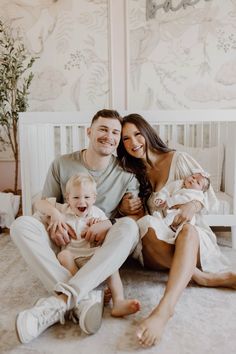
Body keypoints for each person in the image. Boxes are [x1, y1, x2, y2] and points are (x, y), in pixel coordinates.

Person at [11, 109, 143, 344]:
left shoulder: (126, 174)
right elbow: (42, 203)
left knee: (130, 229)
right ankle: (82, 298)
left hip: (98, 245)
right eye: (103, 129)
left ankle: (60, 302)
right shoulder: (62, 163)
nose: (109, 136)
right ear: (89, 131)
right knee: (21, 225)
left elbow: (135, 217)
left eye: (115, 132)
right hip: (65, 239)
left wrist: (108, 223)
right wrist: (54, 216)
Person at [117, 113, 236, 348]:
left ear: (147, 133)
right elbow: (123, 212)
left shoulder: (178, 159)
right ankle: (203, 278)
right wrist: (123, 206)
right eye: (126, 139)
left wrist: (192, 204)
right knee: (146, 226)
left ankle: (164, 309)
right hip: (158, 244)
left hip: (187, 238)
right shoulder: (131, 173)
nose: (133, 143)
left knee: (188, 231)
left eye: (137, 134)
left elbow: (206, 190)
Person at [35, 172, 141, 323]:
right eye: (76, 197)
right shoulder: (64, 210)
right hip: (72, 258)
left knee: (109, 260)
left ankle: (118, 301)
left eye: (86, 197)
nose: (81, 202)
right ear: (67, 198)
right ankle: (86, 294)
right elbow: (39, 203)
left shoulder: (97, 214)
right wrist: (55, 214)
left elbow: (109, 239)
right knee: (63, 256)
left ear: (94, 198)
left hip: (93, 257)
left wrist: (100, 228)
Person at [140, 171, 211, 242]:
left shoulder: (195, 194)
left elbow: (183, 199)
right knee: (169, 215)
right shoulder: (178, 183)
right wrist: (160, 198)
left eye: (198, 182)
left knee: (181, 220)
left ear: (201, 190)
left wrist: (169, 202)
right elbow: (166, 191)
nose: (193, 180)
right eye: (193, 177)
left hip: (184, 216)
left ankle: (166, 225)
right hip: (169, 210)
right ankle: (163, 224)